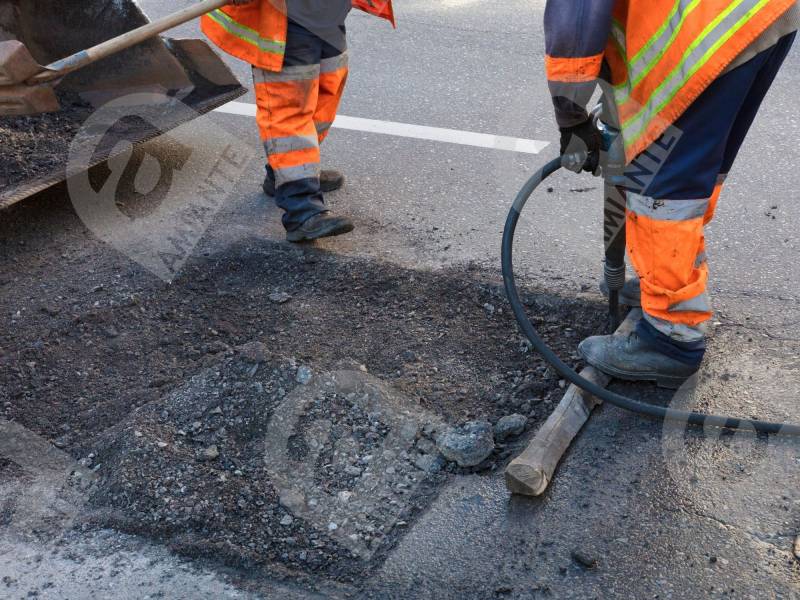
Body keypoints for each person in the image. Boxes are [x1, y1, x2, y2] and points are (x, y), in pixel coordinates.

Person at [544, 0, 799, 388]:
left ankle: (670, 338)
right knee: (695, 168)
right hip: (753, 14)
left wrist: (571, 117)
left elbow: (577, 17)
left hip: (703, 31)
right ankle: (668, 287)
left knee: (661, 184)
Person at [202, 0, 394, 242]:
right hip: (286, 19)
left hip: (325, 14)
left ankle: (286, 174)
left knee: (327, 90)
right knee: (290, 108)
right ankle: (303, 211)